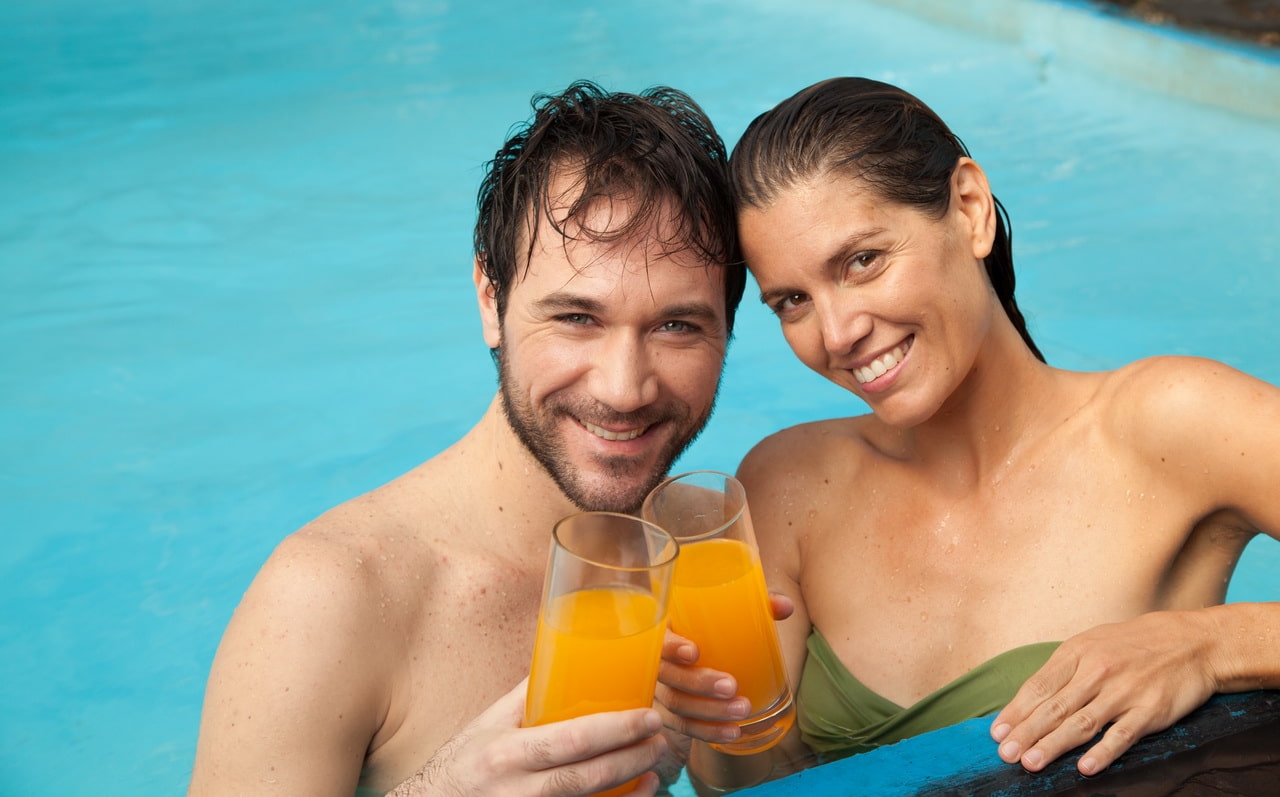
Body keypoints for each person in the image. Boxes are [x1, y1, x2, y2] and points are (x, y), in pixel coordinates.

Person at [658, 76, 1280, 788]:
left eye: (862, 261)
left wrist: (1208, 646)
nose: (838, 333)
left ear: (970, 209)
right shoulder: (787, 484)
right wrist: (709, 707)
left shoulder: (1166, 423)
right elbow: (747, 783)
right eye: (793, 301)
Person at [188, 80, 746, 796]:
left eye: (676, 325)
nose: (624, 388)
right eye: (577, 317)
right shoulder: (327, 597)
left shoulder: (692, 572)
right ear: (492, 299)